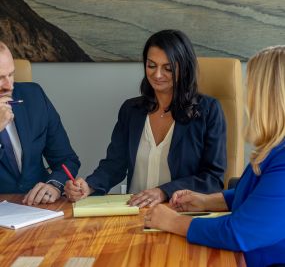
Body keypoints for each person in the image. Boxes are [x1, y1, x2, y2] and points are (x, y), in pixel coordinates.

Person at [144, 45, 285, 267]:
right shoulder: (275, 148)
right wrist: (206, 201)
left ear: (270, 96)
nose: (248, 96)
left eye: (252, 87)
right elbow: (252, 194)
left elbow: (240, 233)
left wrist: (174, 222)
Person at [65, 29, 226, 207]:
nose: (157, 75)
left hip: (179, 213)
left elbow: (212, 179)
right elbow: (114, 164)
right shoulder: (131, 110)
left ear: (184, 68)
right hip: (133, 211)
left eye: (168, 68)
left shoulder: (209, 111)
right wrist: (89, 186)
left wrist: (164, 191)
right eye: (151, 65)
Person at [0, 41, 80, 205]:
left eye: (11, 74)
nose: (9, 86)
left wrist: (54, 185)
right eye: (0, 78)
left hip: (38, 208)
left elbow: (66, 159)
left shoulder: (34, 96)